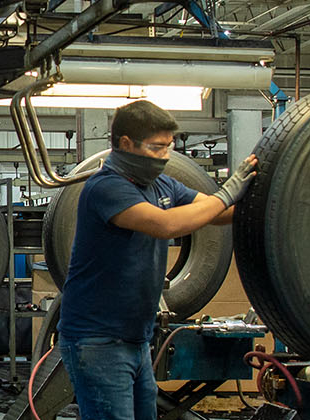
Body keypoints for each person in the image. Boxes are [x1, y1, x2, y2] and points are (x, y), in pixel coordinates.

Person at [57, 100, 256, 420]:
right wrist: (229, 191)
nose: (165, 155)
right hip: (97, 342)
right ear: (126, 144)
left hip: (136, 339)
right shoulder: (105, 187)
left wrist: (260, 193)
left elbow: (218, 212)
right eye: (157, 147)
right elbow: (166, 225)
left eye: (169, 147)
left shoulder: (161, 184)